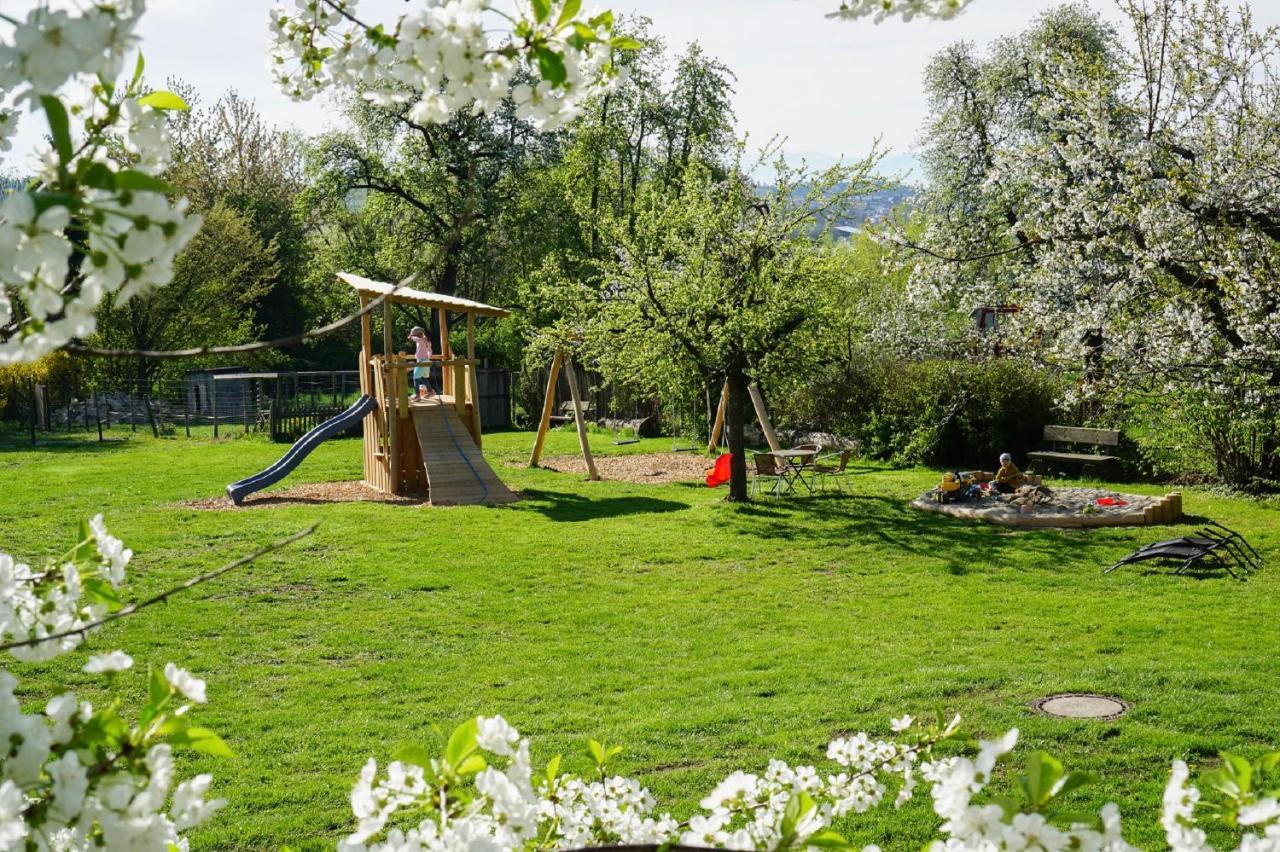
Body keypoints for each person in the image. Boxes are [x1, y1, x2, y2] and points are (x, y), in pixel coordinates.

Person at [407, 326, 435, 400]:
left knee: (415, 378)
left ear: (419, 334)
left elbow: (413, 338)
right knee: (422, 377)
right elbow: (430, 350)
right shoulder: (426, 339)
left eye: (415, 334)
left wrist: (411, 335)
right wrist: (428, 357)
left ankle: (417, 395)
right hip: (425, 360)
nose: (415, 336)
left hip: (421, 361)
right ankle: (430, 391)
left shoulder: (420, 340)